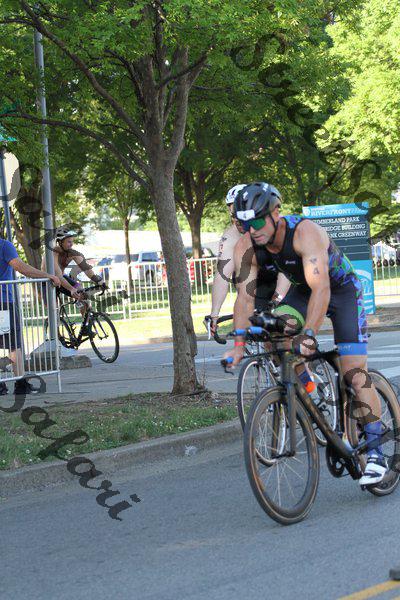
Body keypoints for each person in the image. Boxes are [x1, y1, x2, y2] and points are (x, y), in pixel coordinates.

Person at [223, 181, 387, 486]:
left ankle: (376, 452)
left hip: (341, 290)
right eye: (244, 224)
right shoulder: (247, 246)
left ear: (276, 213)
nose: (251, 231)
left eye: (257, 222)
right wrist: (238, 344)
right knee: (276, 329)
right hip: (302, 292)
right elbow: (245, 298)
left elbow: (321, 288)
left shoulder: (304, 233)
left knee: (354, 373)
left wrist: (309, 334)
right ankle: (311, 389)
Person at [205, 184, 283, 336]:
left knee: (282, 331)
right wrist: (214, 313)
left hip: (280, 278)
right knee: (248, 328)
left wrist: (278, 297)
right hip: (255, 286)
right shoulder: (230, 237)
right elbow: (222, 275)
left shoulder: (271, 228)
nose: (236, 217)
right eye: (232, 211)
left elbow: (285, 269)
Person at [0, 236, 61, 396]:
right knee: (14, 344)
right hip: (3, 301)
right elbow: (22, 268)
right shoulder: (4, 245)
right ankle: (20, 384)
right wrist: (48, 275)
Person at [43, 226, 106, 316]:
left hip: (62, 278)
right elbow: (58, 275)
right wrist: (71, 289)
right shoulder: (52, 253)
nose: (71, 244)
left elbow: (86, 268)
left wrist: (98, 280)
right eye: (69, 242)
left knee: (82, 294)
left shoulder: (73, 253)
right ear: (60, 242)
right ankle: (55, 322)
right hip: (47, 281)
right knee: (53, 312)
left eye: (72, 241)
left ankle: (86, 322)